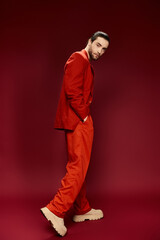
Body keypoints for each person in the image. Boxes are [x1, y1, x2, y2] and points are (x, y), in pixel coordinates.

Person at [41, 31, 110, 237]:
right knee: (77, 167)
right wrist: (85, 116)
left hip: (79, 120)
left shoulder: (86, 62)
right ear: (89, 41)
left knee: (80, 166)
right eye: (98, 45)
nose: (100, 51)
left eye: (104, 49)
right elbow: (72, 91)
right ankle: (56, 209)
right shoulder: (78, 58)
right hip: (78, 120)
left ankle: (81, 209)